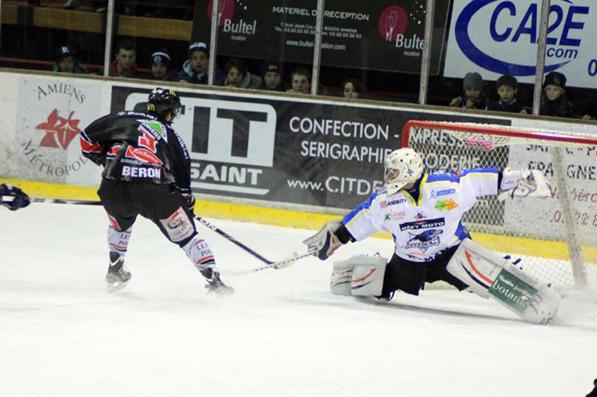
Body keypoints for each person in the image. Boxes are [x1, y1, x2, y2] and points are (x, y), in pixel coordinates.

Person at [303, 148, 559, 324]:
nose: (389, 177)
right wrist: (334, 239)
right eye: (389, 172)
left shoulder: (447, 188)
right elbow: (359, 223)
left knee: (484, 278)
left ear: (409, 171)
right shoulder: (383, 202)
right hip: (409, 261)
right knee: (376, 284)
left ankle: (526, 290)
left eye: (393, 172)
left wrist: (520, 180)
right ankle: (365, 273)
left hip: (451, 254)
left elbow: (483, 181)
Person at [79, 88, 232, 294]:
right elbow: (183, 165)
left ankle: (115, 269)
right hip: (152, 189)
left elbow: (86, 138)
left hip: (113, 186)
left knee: (120, 225)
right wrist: (185, 199)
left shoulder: (120, 117)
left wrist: (107, 161)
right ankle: (215, 281)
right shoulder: (168, 132)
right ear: (170, 112)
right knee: (186, 236)